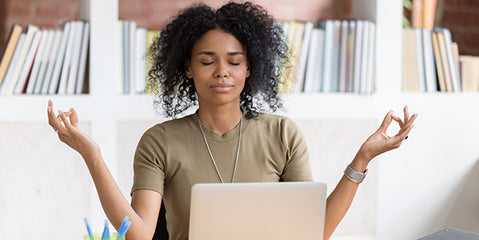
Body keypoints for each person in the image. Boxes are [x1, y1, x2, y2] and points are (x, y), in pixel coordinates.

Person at [47, 2, 417, 240]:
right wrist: (92, 155)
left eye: (234, 62)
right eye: (207, 61)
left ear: (250, 67)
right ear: (188, 68)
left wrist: (361, 160)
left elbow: (315, 232)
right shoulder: (159, 141)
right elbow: (140, 234)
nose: (221, 72)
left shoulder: (282, 134)